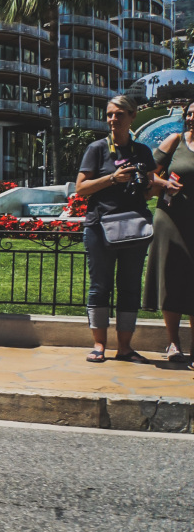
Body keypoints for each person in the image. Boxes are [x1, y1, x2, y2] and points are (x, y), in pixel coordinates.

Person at [75, 95, 157, 363]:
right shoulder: (97, 149)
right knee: (100, 286)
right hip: (100, 226)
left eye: (119, 114)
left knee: (130, 287)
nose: (113, 119)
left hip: (134, 226)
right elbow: (80, 188)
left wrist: (148, 183)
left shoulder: (142, 151)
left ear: (132, 117)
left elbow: (148, 194)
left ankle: (124, 347)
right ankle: (99, 345)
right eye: (109, 114)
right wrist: (112, 178)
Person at [143, 99, 194, 364]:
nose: (192, 117)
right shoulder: (175, 141)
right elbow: (147, 176)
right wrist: (165, 184)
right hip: (171, 219)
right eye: (190, 113)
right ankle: (173, 344)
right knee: (171, 278)